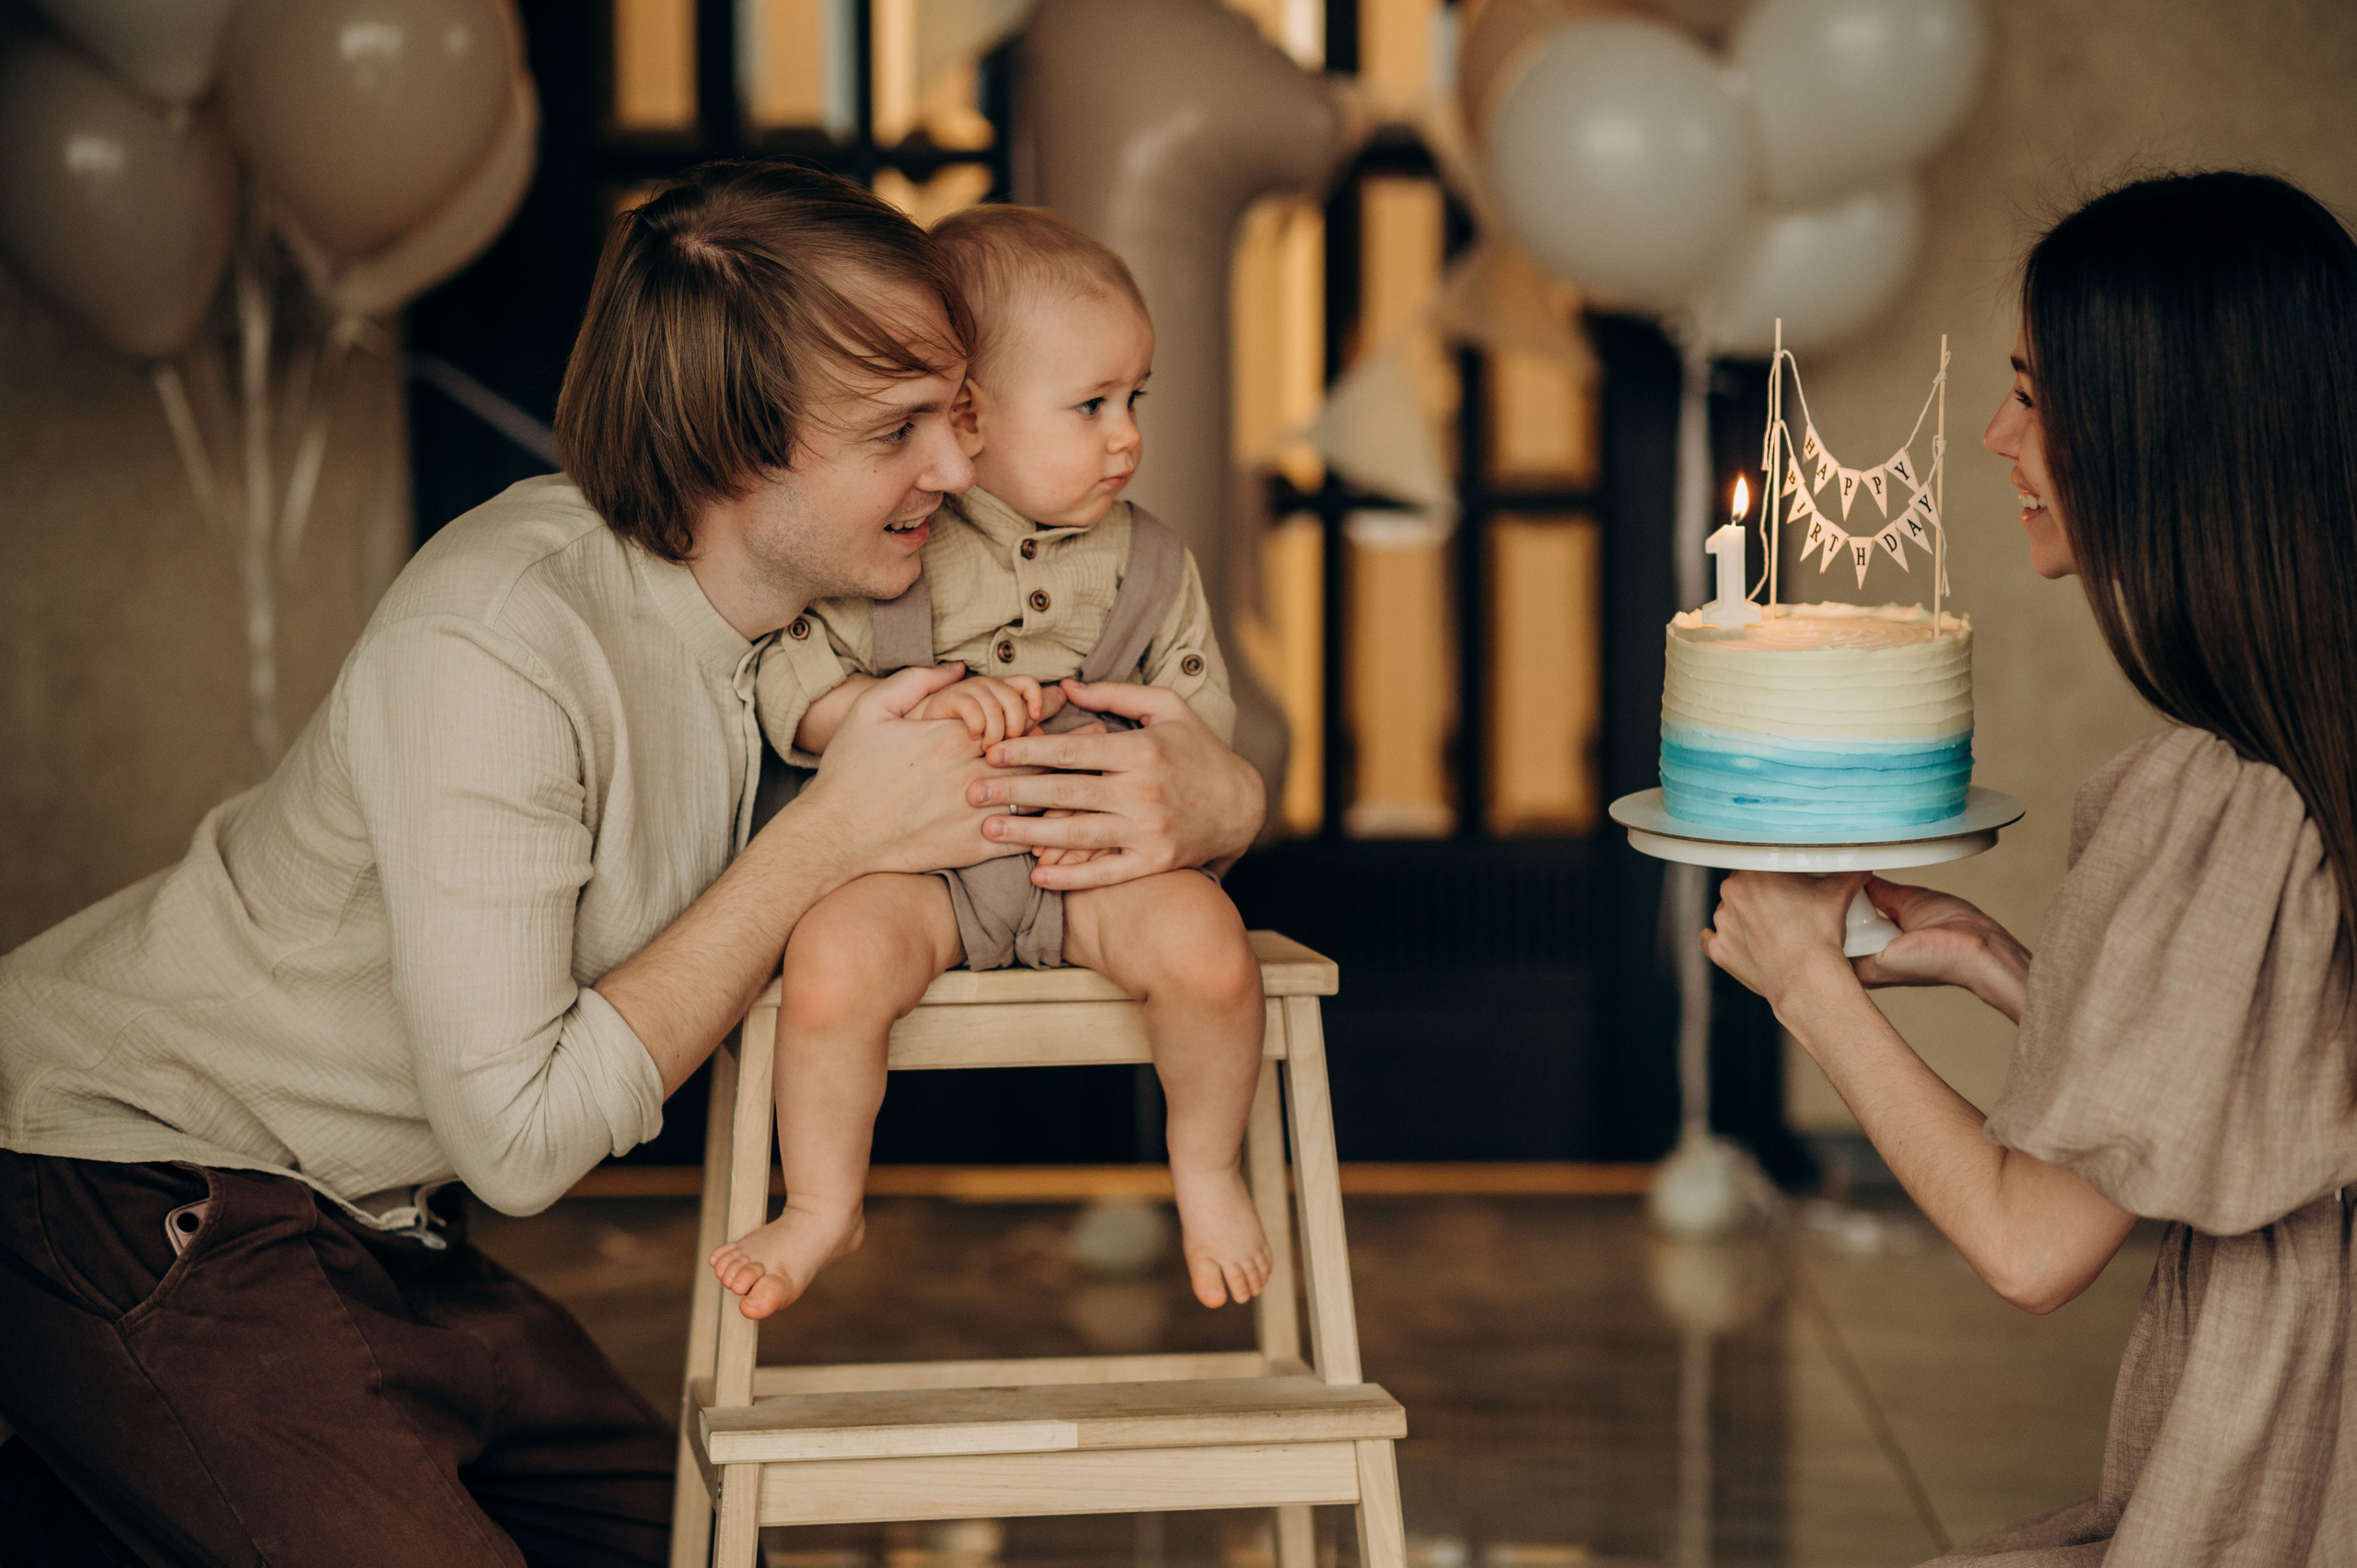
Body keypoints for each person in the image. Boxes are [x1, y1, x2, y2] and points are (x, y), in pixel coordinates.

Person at [0, 161, 1267, 1568]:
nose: (959, 470)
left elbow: (1069, 770)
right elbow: (521, 1141)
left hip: (381, 1223)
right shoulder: (496, 642)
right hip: (126, 1177)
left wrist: (1224, 797)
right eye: (900, 428)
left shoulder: (824, 623)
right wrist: (830, 835)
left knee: (707, 1549)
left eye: (958, 409)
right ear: (738, 449)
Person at [1702, 169, 2357, 1562]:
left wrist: (1806, 983)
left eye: (2032, 395)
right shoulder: (2320, 759)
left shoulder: (2228, 798)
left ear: (2159, 434)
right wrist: (2006, 967)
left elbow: (2032, 1247)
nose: (2000, 437)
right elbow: (2291, 1074)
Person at [713, 206, 1271, 1320]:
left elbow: (1196, 729)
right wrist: (886, 709)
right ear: (969, 414)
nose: (1126, 436)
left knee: (1213, 957)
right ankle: (821, 1200)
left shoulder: (1154, 562)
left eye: (1135, 399)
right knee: (830, 967)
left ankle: (1207, 1169)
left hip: (1090, 872)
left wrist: (1166, 753)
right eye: (1090, 405)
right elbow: (787, 680)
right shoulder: (896, 540)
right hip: (916, 873)